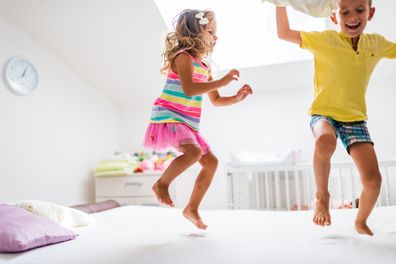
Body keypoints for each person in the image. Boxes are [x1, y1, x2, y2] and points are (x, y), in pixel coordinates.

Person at [275, 0, 396, 235]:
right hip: (324, 114)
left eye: (359, 10)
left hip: (355, 120)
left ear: (370, 13)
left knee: (373, 182)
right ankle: (322, 196)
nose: (353, 16)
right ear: (333, 17)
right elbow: (284, 33)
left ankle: (360, 220)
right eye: (345, 12)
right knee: (325, 141)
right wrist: (279, 3)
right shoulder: (324, 40)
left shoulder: (376, 44)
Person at [144, 9, 253, 229]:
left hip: (187, 122)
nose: (216, 37)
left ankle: (191, 208)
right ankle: (161, 184)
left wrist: (236, 98)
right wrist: (221, 81)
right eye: (211, 31)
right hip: (170, 114)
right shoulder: (183, 57)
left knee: (211, 162)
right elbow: (190, 88)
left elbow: (216, 100)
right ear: (195, 32)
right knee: (193, 153)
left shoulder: (205, 67)